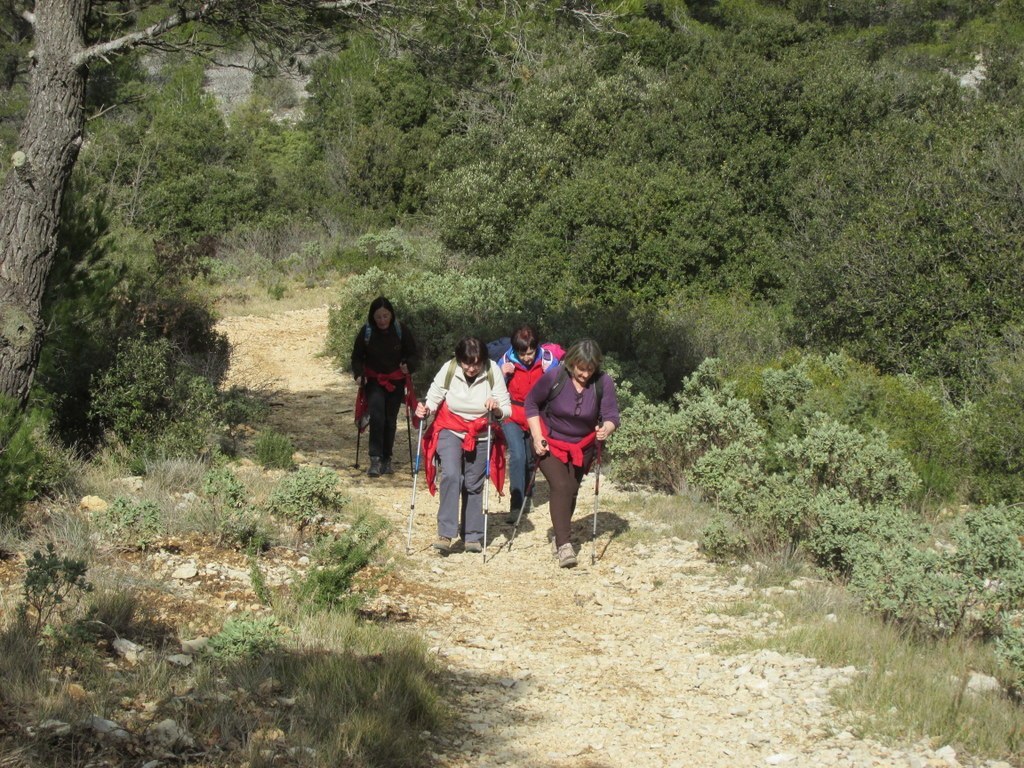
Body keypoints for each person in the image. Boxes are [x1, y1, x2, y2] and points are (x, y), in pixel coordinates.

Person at [525, 339, 619, 568]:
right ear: (571, 363)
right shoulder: (556, 376)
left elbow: (611, 416)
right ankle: (564, 544)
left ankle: (560, 532)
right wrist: (537, 437)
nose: (585, 374)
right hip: (549, 442)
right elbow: (531, 404)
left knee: (572, 489)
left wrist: (606, 429)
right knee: (562, 486)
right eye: (581, 368)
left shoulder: (603, 382)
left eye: (590, 369)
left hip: (582, 446)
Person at [416, 337, 511, 554]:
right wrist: (425, 410)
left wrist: (496, 409)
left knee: (473, 483)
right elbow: (434, 396)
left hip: (480, 432)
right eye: (467, 363)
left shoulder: (492, 370)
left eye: (476, 363)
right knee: (450, 475)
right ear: (459, 360)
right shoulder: (450, 369)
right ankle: (445, 533)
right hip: (450, 427)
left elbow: (507, 409)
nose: (471, 368)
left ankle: (472, 536)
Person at [495, 325, 563, 523]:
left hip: (536, 415)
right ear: (515, 350)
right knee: (517, 455)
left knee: (532, 457)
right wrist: (501, 373)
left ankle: (529, 494)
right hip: (511, 413)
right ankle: (516, 505)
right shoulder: (506, 361)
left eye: (530, 353)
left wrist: (551, 374)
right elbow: (494, 386)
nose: (526, 357)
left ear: (537, 348)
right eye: (522, 353)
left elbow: (558, 389)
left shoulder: (549, 361)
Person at [350, 297, 418, 478]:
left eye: (385, 316)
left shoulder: (400, 330)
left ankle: (387, 458)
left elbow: (413, 354)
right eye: (378, 317)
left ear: (391, 315)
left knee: (390, 419)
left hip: (395, 381)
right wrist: (358, 374)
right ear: (373, 316)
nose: (382, 320)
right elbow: (357, 357)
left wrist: (408, 366)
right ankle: (375, 459)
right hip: (373, 381)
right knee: (377, 417)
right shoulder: (367, 332)